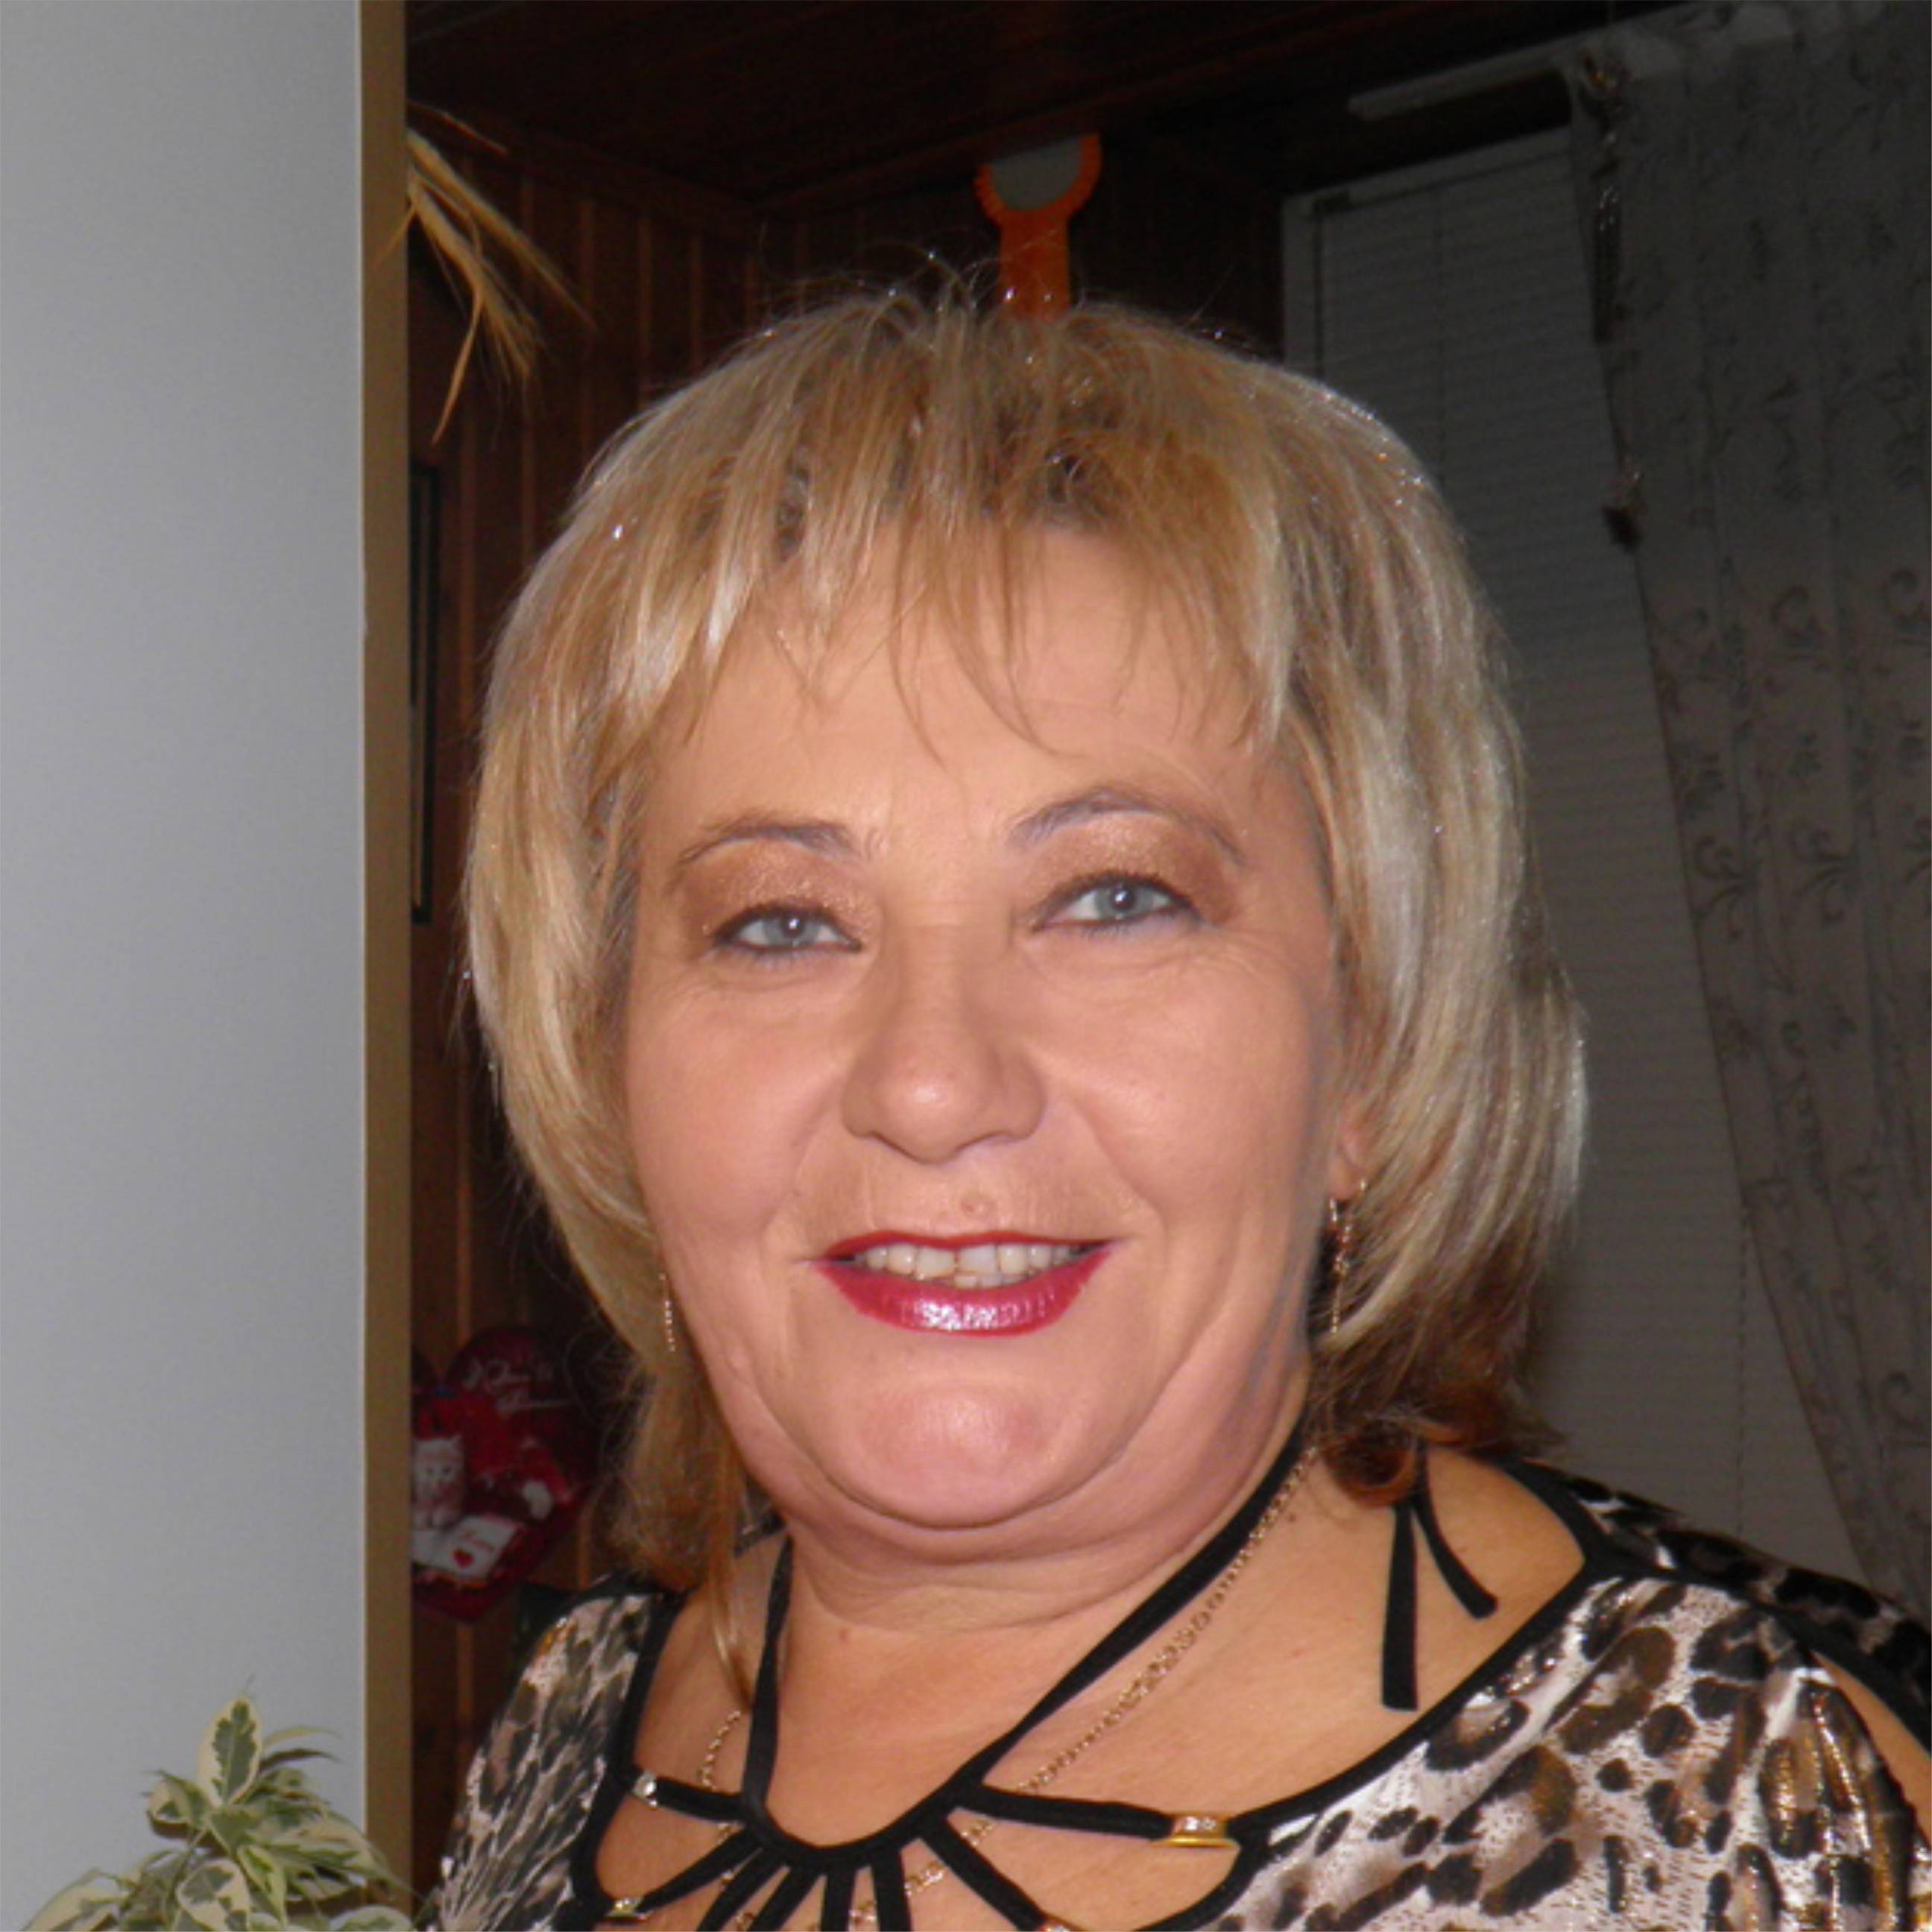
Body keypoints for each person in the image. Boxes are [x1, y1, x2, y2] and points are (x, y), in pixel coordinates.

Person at [437, 291, 1928, 1931]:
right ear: (610, 1063)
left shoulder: (1746, 1822)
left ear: (1369, 1048)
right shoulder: (572, 1718)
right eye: (782, 923)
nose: (931, 1085)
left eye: (1114, 898)